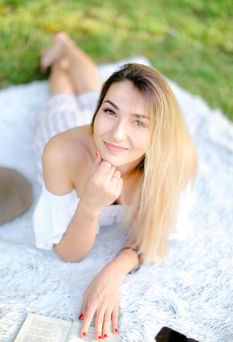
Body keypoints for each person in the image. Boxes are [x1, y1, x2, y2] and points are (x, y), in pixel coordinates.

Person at [32, 32, 198, 340]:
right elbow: (68, 253)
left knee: (92, 96)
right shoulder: (60, 152)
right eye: (109, 110)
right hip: (73, 136)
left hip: (98, 134)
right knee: (61, 102)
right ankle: (63, 52)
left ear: (158, 130)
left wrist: (114, 270)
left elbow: (155, 233)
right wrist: (90, 206)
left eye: (139, 121)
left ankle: (66, 45)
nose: (118, 134)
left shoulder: (179, 159)